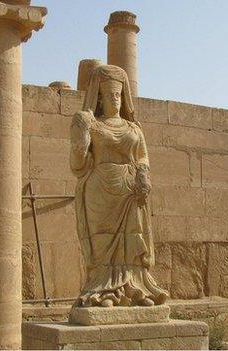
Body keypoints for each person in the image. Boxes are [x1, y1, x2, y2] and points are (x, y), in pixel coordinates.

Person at [70, 65, 168, 307]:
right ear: (100, 98)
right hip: (100, 189)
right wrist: (80, 139)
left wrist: (143, 173)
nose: (114, 99)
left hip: (129, 188)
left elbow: (142, 155)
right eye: (109, 95)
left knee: (133, 240)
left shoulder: (134, 128)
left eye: (118, 95)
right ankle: (102, 292)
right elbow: (77, 164)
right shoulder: (91, 124)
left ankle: (135, 290)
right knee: (102, 244)